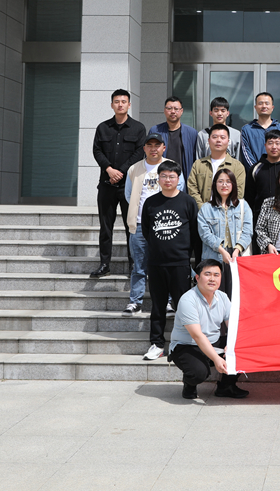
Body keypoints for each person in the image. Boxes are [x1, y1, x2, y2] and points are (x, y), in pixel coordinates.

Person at [141, 160, 199, 361]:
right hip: (156, 263)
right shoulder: (151, 202)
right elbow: (147, 231)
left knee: (183, 306)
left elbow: (194, 232)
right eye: (164, 176)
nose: (167, 180)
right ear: (158, 179)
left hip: (180, 263)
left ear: (178, 179)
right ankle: (157, 344)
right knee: (157, 306)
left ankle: (183, 343)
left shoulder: (188, 202)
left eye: (171, 176)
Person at [168, 259, 248, 399]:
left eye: (216, 275)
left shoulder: (222, 297)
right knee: (198, 373)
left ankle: (226, 387)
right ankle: (189, 384)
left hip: (213, 341)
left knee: (244, 346)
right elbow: (197, 336)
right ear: (197, 277)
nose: (212, 279)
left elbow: (234, 326)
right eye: (207, 274)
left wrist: (232, 344)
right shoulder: (188, 300)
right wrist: (217, 359)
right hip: (187, 345)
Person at [123, 133, 182, 316]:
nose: (153, 148)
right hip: (140, 224)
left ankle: (169, 302)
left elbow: (179, 191)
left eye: (157, 145)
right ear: (144, 148)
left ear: (164, 147)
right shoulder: (134, 169)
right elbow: (129, 195)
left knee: (166, 264)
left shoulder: (171, 166)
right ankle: (135, 301)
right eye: (150, 145)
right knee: (139, 266)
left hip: (165, 225)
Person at [91, 89, 147, 279]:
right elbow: (97, 151)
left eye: (124, 101)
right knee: (105, 226)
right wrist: (109, 169)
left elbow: (139, 153)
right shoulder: (103, 128)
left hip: (128, 185)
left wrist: (121, 171)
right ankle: (104, 264)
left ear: (129, 104)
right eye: (117, 101)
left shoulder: (138, 128)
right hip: (106, 184)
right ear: (112, 104)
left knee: (131, 226)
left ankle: (134, 264)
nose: (120, 104)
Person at [197, 168, 252, 297]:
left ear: (233, 184)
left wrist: (237, 250)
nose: (224, 185)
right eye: (220, 181)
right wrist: (221, 250)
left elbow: (248, 230)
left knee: (236, 295)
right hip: (214, 255)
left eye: (228, 181)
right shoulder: (206, 208)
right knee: (215, 295)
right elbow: (205, 234)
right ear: (215, 184)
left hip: (237, 256)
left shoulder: (243, 205)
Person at [186, 124, 247, 210]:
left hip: (227, 213)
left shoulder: (237, 166)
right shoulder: (198, 164)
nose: (218, 140)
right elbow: (192, 189)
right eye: (214, 137)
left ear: (228, 141)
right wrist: (204, 209)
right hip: (202, 213)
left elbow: (238, 193)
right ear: (208, 140)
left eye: (222, 137)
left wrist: (223, 210)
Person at [246, 129, 280, 216]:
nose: (274, 147)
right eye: (270, 143)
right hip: (260, 216)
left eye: (277, 143)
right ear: (265, 145)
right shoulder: (256, 169)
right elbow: (249, 196)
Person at [150, 96, 199, 179]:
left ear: (181, 111)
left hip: (183, 178)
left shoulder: (191, 133)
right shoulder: (155, 130)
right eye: (169, 108)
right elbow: (149, 155)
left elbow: (196, 159)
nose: (173, 111)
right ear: (164, 110)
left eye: (176, 109)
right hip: (161, 177)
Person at [240, 92, 280, 168]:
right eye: (260, 103)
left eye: (267, 103)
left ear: (272, 107)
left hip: (278, 172)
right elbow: (246, 155)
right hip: (254, 173)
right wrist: (256, 170)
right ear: (255, 107)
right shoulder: (247, 129)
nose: (264, 106)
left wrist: (276, 169)